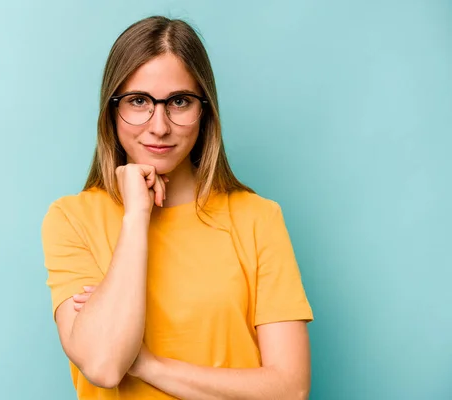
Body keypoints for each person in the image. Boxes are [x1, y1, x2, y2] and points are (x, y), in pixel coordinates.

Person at [41, 15, 313, 400]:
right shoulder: (71, 219)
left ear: (204, 110)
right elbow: (103, 364)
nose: (159, 126)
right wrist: (136, 216)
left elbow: (289, 390)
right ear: (111, 109)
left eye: (179, 102)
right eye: (139, 101)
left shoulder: (257, 218)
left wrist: (145, 363)